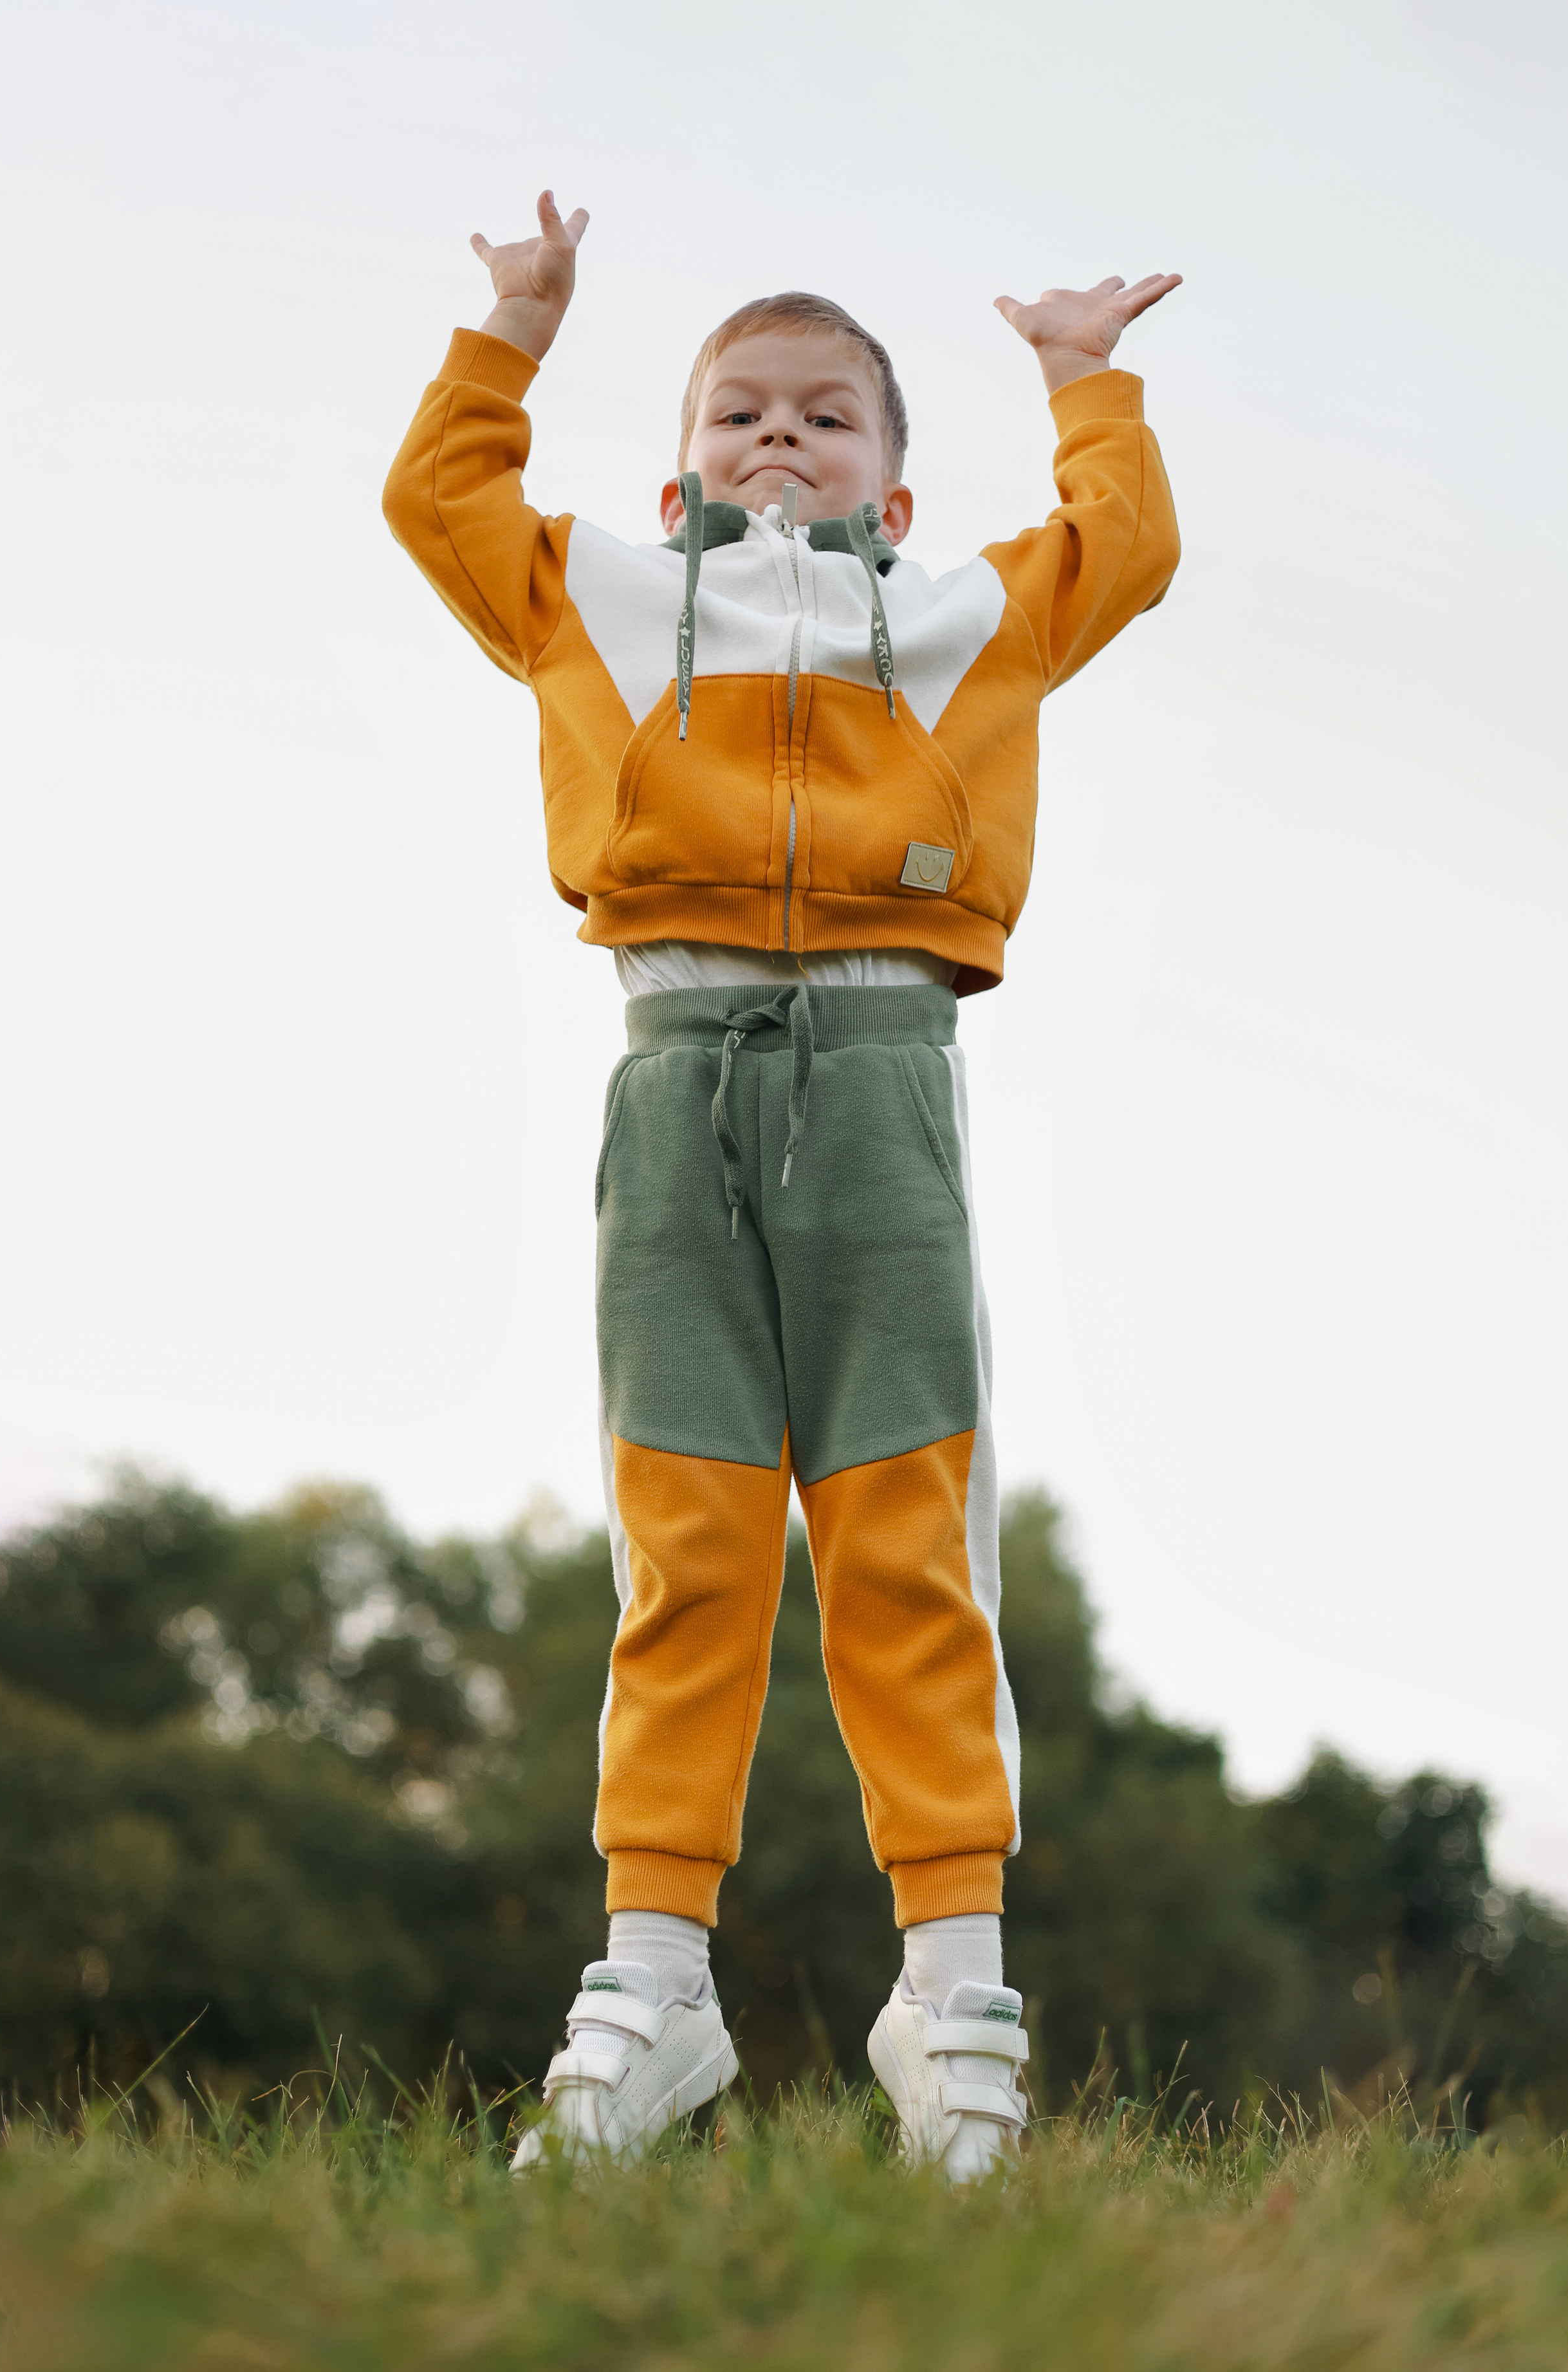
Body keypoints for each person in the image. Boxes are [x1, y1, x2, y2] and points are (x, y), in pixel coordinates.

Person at [383, 192, 1180, 2181]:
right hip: (676, 1091)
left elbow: (1127, 550)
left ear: (899, 496)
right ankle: (652, 1987)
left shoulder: (961, 613)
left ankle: (957, 1996)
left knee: (907, 1550)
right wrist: (515, 330)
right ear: (676, 474)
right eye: (742, 414)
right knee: (694, 1551)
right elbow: (438, 503)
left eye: (830, 419)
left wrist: (1088, 380)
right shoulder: (600, 596)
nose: (781, 441)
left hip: (890, 1094)